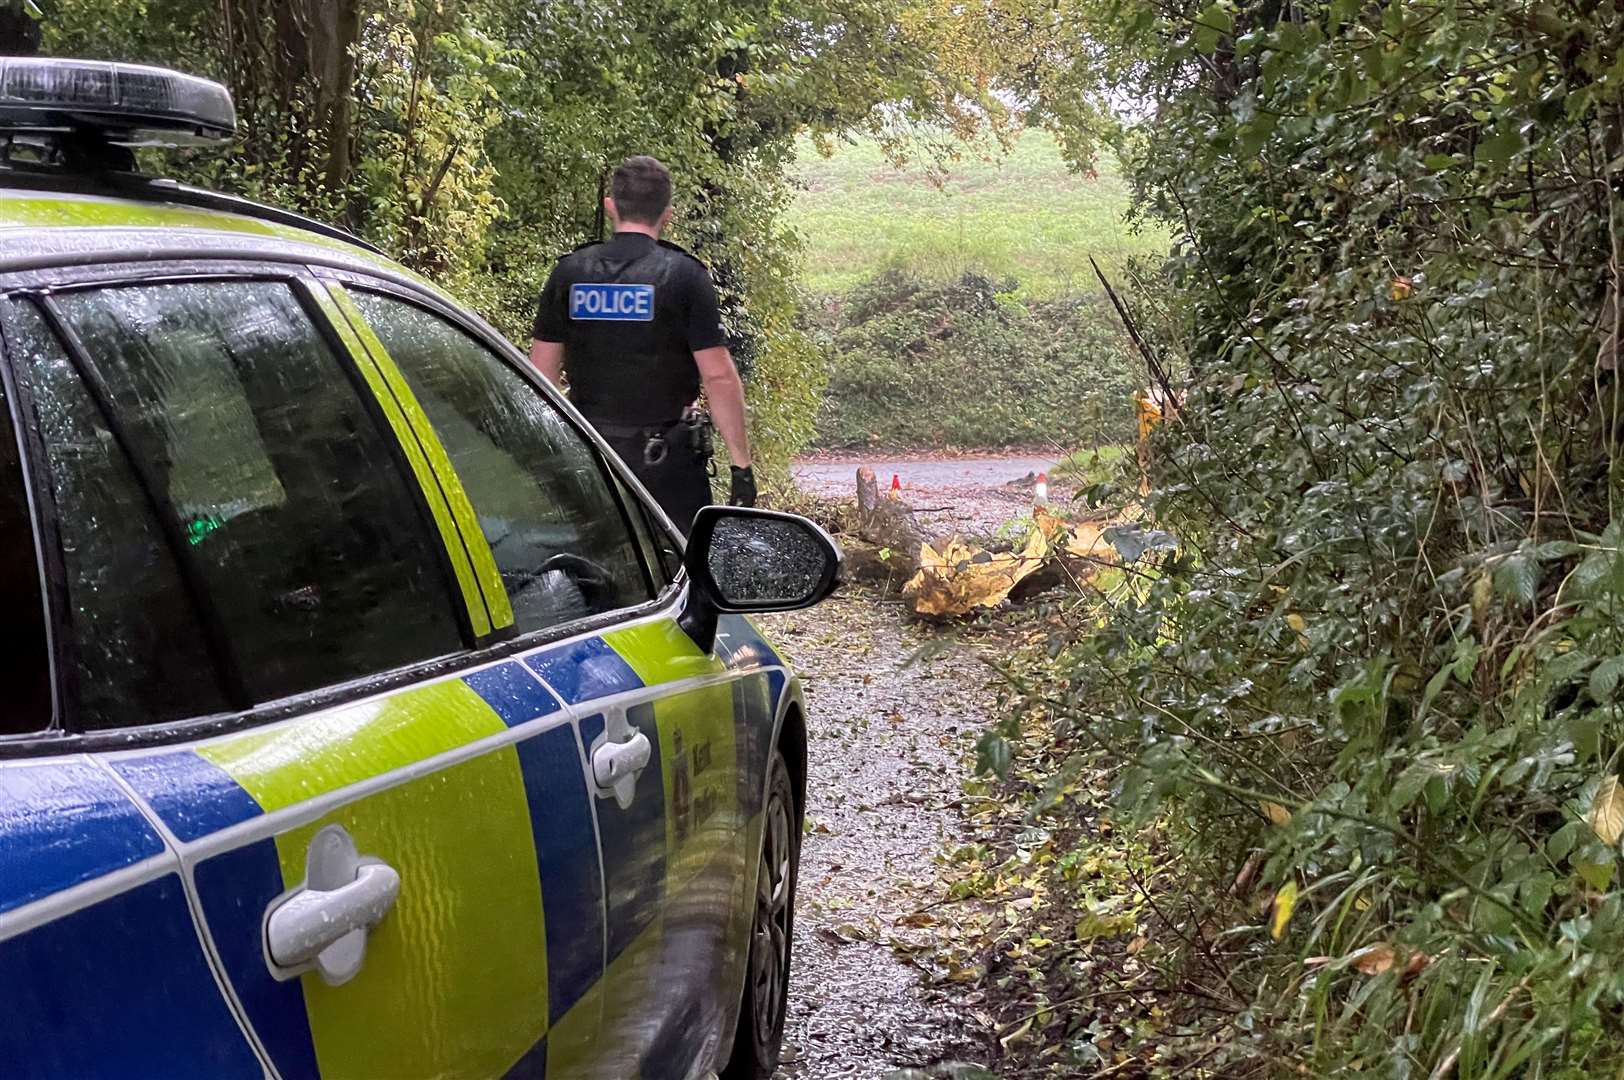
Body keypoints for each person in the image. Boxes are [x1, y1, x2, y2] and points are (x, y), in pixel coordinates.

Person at [528, 155, 755, 535]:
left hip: (591, 460)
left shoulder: (570, 273)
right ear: (668, 214)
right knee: (681, 568)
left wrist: (547, 454)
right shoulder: (685, 276)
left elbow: (541, 374)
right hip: (668, 466)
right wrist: (740, 465)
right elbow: (718, 377)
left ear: (611, 206)